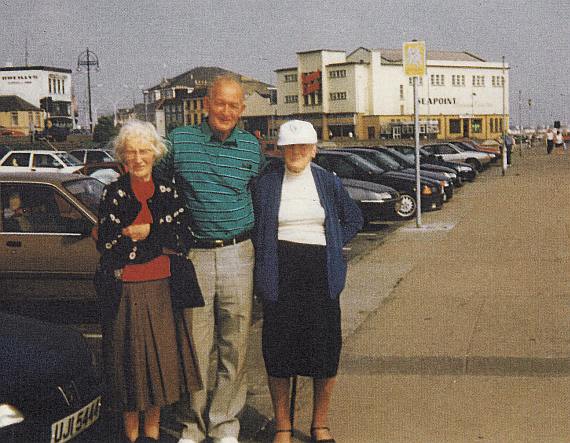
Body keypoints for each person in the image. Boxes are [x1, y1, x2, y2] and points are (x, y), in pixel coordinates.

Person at [161, 75, 263, 443]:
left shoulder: (252, 149)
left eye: (233, 105)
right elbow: (153, 184)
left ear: (242, 110)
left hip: (239, 252)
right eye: (220, 103)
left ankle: (224, 425)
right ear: (207, 103)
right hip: (196, 256)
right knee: (196, 345)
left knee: (234, 345)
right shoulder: (179, 141)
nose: (226, 111)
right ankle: (192, 425)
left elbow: (261, 196)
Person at [251, 120, 363, 443]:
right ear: (281, 150)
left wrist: (334, 242)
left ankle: (320, 424)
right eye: (290, 147)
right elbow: (255, 224)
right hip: (280, 273)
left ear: (314, 150)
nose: (297, 152)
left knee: (324, 353)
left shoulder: (327, 181)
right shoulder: (267, 183)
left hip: (319, 275)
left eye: (303, 147)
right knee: (278, 352)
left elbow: (354, 217)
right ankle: (283, 426)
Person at [95, 120, 202, 443]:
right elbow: (110, 244)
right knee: (130, 368)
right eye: (131, 153)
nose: (138, 159)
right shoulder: (112, 192)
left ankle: (152, 435)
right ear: (122, 157)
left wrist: (147, 232)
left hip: (162, 289)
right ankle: (131, 436)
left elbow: (184, 238)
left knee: (156, 368)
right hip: (125, 289)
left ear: (155, 154)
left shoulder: (169, 191)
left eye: (144, 152)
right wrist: (158, 240)